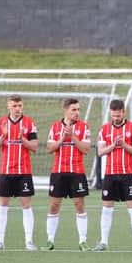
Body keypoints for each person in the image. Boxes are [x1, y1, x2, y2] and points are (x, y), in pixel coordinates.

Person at [0, 94, 38, 251]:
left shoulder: (29, 123)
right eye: (14, 106)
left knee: (26, 205)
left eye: (20, 106)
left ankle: (29, 241)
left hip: (24, 172)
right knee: (2, 205)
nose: (17, 109)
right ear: (8, 106)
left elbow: (34, 147)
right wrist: (3, 135)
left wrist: (22, 139)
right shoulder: (1, 123)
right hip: (5, 171)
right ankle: (0, 242)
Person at [92, 99, 132, 252]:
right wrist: (114, 145)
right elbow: (101, 152)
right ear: (110, 113)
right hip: (110, 175)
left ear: (123, 112)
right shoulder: (105, 129)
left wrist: (124, 144)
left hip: (127, 175)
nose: (115, 118)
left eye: (118, 115)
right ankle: (103, 242)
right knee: (107, 209)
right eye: (113, 116)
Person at [40, 98, 91, 251]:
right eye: (74, 110)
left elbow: (86, 149)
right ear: (65, 110)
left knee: (79, 205)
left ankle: (83, 241)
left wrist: (73, 136)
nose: (77, 113)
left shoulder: (84, 127)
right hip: (58, 172)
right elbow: (49, 149)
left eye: (78, 109)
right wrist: (63, 137)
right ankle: (50, 241)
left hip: (77, 172)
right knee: (54, 206)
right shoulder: (55, 127)